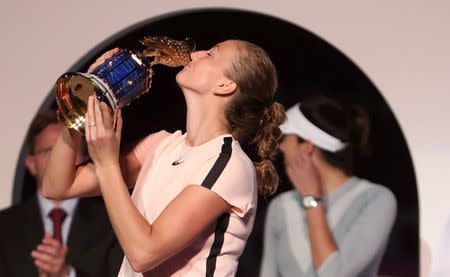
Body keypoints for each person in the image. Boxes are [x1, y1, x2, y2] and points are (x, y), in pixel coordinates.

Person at [42, 40, 286, 276]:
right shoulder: (160, 146)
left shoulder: (229, 165)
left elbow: (143, 253)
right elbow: (57, 186)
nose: (196, 53)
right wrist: (83, 103)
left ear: (224, 85)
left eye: (211, 53)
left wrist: (107, 164)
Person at [260, 96, 397, 277]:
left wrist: (311, 199)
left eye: (286, 138)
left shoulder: (375, 199)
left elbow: (334, 273)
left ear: (307, 147)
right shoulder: (280, 206)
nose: (281, 147)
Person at [0, 109, 123, 277]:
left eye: (68, 149)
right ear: (30, 163)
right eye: (50, 151)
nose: (58, 159)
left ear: (84, 157)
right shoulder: (5, 226)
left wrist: (67, 274)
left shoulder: (110, 220)